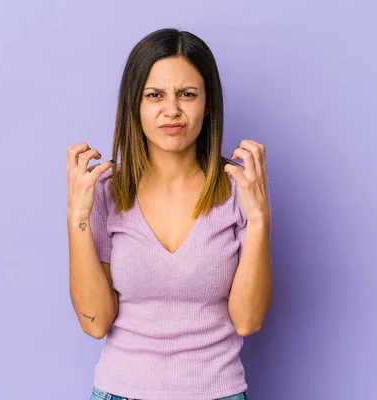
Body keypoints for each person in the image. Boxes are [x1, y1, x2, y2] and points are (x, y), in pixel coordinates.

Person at [66, 28, 272, 400]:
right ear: (135, 105)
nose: (172, 110)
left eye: (187, 94)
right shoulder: (105, 191)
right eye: (155, 95)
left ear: (207, 104)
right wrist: (77, 219)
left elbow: (247, 320)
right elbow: (95, 323)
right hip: (120, 393)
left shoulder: (238, 189)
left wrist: (259, 220)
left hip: (218, 393)